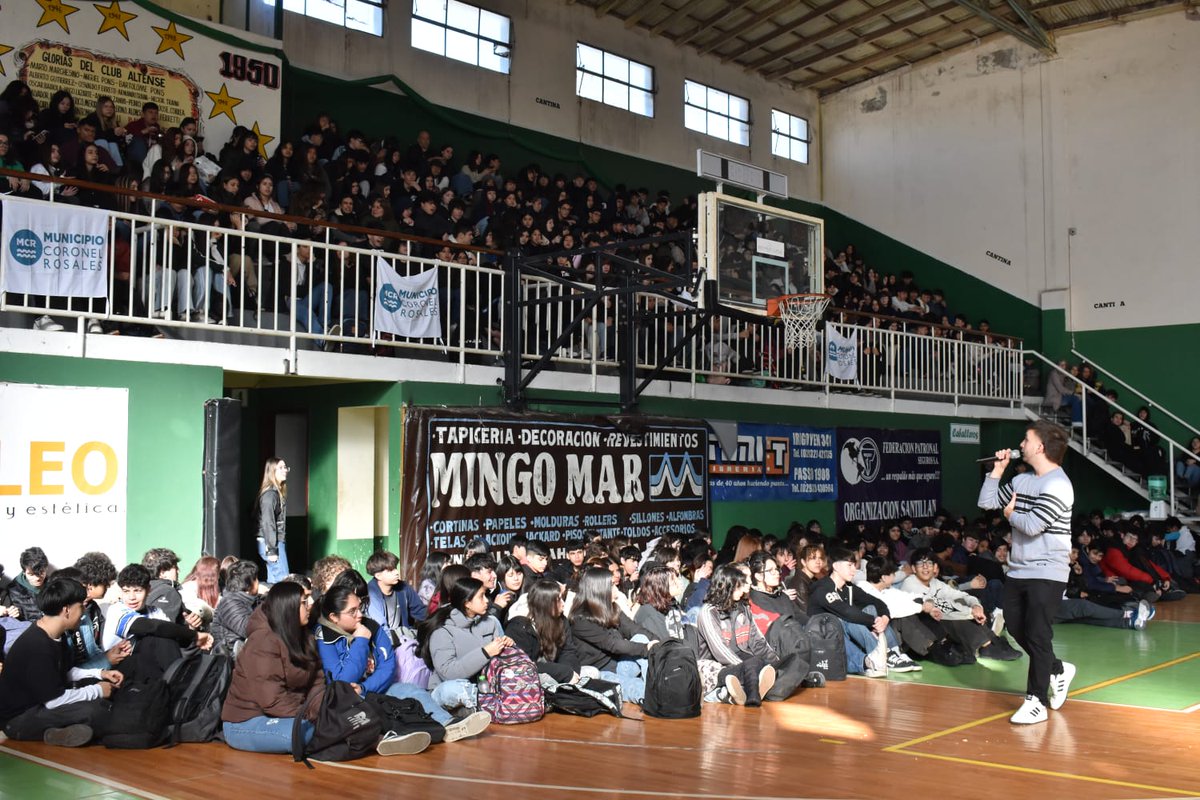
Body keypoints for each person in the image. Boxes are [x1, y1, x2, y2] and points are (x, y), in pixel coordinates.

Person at [978, 421, 1076, 725]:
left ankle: (1036, 701)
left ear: (1040, 447)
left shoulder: (1058, 484)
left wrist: (1010, 514)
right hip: (1019, 569)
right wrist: (997, 470)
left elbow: (1033, 526)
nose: (1021, 444)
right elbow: (986, 502)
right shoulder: (1021, 480)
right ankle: (1058, 669)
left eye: (1026, 439)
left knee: (1037, 632)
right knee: (1019, 630)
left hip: (1049, 569)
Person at [315, 579, 490, 744]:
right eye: (352, 612)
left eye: (360, 607)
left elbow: (387, 666)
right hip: (346, 699)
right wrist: (360, 642)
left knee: (411, 690)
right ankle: (395, 737)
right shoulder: (324, 637)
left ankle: (449, 725)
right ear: (333, 617)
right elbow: (342, 682)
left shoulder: (371, 627)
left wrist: (365, 687)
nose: (359, 614)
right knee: (377, 711)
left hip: (375, 688)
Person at [0, 576, 123, 747]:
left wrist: (100, 673)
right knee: (94, 711)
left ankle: (54, 733)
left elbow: (63, 671)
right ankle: (50, 731)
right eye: (80, 607)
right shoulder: (37, 645)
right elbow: (54, 701)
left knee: (99, 700)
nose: (83, 613)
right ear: (66, 610)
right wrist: (98, 690)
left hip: (41, 706)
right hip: (19, 720)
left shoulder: (55, 634)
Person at [420, 577, 511, 714]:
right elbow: (448, 673)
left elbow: (502, 663)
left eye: (486, 595)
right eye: (481, 597)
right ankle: (491, 705)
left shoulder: (491, 622)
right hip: (451, 690)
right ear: (467, 603)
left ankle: (483, 707)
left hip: (485, 686)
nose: (487, 600)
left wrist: (508, 646)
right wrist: (485, 653)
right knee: (451, 690)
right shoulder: (443, 631)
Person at [569, 567, 656, 705]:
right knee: (638, 687)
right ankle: (656, 694)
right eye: (612, 585)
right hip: (600, 672)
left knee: (642, 638)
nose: (616, 590)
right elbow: (612, 644)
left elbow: (634, 629)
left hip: (620, 664)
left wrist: (658, 644)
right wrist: (646, 648)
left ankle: (659, 685)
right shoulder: (581, 619)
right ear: (600, 589)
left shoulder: (612, 607)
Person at [506, 579, 583, 684]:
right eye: (559, 600)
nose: (563, 604)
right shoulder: (519, 627)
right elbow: (523, 665)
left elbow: (568, 650)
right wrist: (564, 673)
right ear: (546, 604)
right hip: (530, 677)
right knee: (548, 680)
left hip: (558, 669)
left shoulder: (561, 619)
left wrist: (571, 673)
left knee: (592, 672)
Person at [365, 550, 427, 645]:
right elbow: (380, 628)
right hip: (381, 642)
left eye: (395, 568)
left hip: (402, 640)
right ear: (378, 575)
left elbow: (421, 612)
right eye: (390, 570)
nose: (396, 572)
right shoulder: (372, 592)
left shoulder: (404, 587)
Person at [211, 559, 261, 658]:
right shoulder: (229, 603)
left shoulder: (249, 600)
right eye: (256, 579)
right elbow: (248, 629)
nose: (259, 583)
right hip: (231, 658)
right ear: (250, 583)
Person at [256, 457, 290, 583]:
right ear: (272, 471)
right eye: (280, 468)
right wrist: (271, 549)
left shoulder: (275, 493)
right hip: (271, 543)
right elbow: (268, 523)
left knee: (275, 582)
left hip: (272, 542)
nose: (285, 470)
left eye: (285, 467)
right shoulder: (270, 495)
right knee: (284, 584)